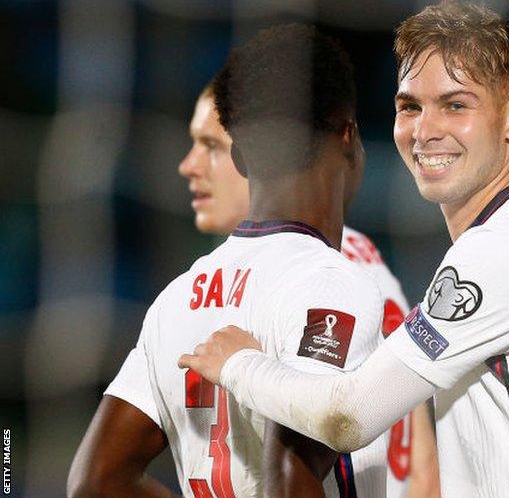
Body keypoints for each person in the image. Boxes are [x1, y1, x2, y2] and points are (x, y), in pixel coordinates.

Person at [178, 0, 509, 498]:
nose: (425, 131)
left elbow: (349, 416)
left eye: (456, 105)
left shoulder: (503, 251)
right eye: (410, 107)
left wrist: (239, 364)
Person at [68, 24, 388, 497]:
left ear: (237, 157)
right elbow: (289, 479)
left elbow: (94, 482)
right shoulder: (332, 285)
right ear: (348, 134)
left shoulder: (176, 300)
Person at [177, 78, 440, 498]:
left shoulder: (334, 266)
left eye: (211, 146)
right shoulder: (220, 279)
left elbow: (410, 442)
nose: (188, 165)